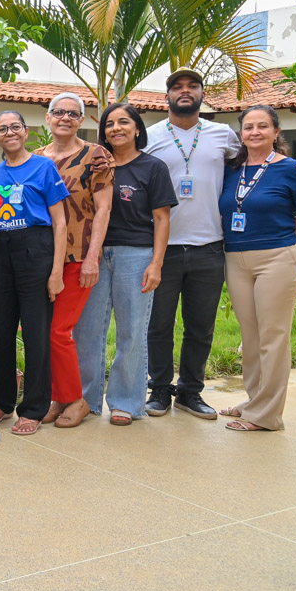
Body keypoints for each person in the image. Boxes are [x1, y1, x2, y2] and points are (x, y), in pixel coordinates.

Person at [143, 68, 296, 419]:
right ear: (167, 96)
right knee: (159, 325)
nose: (185, 91)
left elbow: (262, 161)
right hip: (163, 247)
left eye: (193, 85)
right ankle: (159, 389)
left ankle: (190, 392)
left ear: (202, 94)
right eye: (178, 87)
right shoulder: (150, 136)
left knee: (201, 327)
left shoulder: (223, 135)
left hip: (211, 246)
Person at [218, 105, 296, 431]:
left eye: (262, 126)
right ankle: (255, 400)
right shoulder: (231, 170)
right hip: (236, 259)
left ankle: (266, 416)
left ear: (276, 132)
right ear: (241, 134)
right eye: (248, 127)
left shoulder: (292, 169)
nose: (255, 132)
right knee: (250, 336)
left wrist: (277, 232)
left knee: (273, 337)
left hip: (276, 258)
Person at [74, 103, 177, 425]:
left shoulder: (153, 167)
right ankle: (85, 400)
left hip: (136, 254)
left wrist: (156, 263)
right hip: (93, 256)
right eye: (109, 124)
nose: (116, 128)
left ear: (136, 129)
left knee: (131, 331)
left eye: (123, 122)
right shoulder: (94, 165)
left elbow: (162, 219)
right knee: (87, 330)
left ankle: (126, 402)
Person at [0, 110, 69, 436]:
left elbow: (60, 223)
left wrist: (56, 271)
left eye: (15, 127)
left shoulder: (44, 167)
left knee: (36, 333)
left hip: (36, 251)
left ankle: (34, 408)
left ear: (26, 131)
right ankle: (1, 401)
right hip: (0, 252)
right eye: (2, 129)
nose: (10, 132)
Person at [35, 92, 114, 429]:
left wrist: (93, 257)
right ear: (48, 118)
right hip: (41, 257)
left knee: (59, 331)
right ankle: (59, 396)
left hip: (77, 255)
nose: (64, 118)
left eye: (72, 113)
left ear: (81, 120)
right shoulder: (36, 158)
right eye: (58, 112)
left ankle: (77, 399)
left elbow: (104, 209)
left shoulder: (96, 156)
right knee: (44, 332)